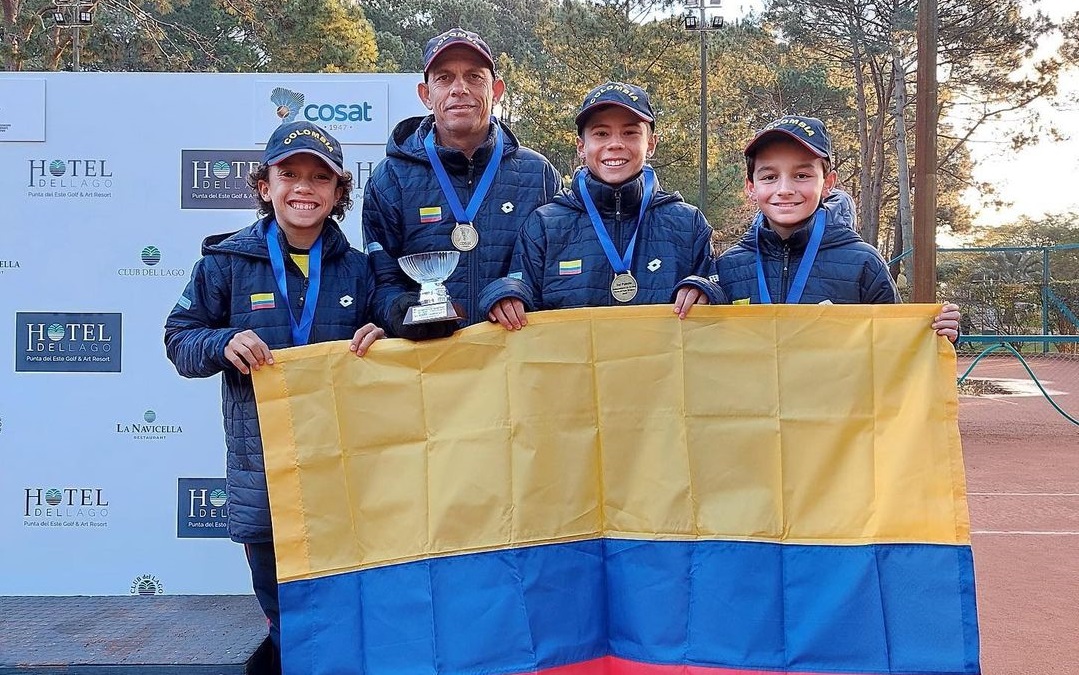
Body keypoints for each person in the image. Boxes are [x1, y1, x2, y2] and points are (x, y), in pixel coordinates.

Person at [163, 120, 384, 669]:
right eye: (289, 174)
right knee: (288, 620)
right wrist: (221, 341)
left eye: (319, 177)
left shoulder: (360, 271)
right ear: (265, 186)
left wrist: (383, 336)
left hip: (345, 474)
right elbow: (179, 338)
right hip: (266, 475)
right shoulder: (225, 263)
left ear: (339, 194)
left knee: (350, 611)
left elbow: (394, 342)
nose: (303, 187)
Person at [362, 27, 563, 340]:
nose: (459, 89)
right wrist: (401, 311)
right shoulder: (389, 178)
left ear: (495, 90)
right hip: (429, 363)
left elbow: (556, 273)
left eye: (474, 77)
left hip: (514, 358)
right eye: (444, 78)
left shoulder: (537, 174)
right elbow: (381, 281)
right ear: (426, 95)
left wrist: (515, 290)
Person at [479, 81, 724, 329]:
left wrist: (705, 291)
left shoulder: (687, 223)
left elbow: (718, 302)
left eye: (630, 133)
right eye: (601, 134)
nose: (615, 144)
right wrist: (505, 294)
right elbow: (521, 292)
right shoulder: (545, 225)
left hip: (661, 368)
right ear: (581, 147)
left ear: (651, 144)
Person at [716, 115, 961, 340]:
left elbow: (895, 346)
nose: (785, 189)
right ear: (750, 187)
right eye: (769, 177)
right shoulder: (728, 267)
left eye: (802, 176)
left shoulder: (864, 263)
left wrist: (937, 336)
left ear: (828, 183)